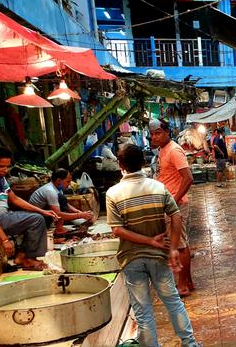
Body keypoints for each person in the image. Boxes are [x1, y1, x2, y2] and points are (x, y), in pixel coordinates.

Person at [106, 144, 198, 347]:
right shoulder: (158, 187)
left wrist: (147, 241)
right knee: (173, 302)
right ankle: (189, 343)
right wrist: (173, 247)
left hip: (131, 259)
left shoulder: (113, 193)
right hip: (158, 256)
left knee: (143, 311)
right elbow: (176, 215)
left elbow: (117, 230)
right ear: (144, 162)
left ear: (120, 165)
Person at [0, 147, 56, 270]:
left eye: (7, 166)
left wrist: (42, 210)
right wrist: (4, 240)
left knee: (38, 217)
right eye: (1, 166)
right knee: (36, 220)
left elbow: (15, 199)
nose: (5, 170)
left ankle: (22, 256)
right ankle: (29, 259)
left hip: (2, 216)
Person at [149, 119, 195, 297]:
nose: (155, 137)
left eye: (158, 132)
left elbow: (188, 177)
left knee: (180, 245)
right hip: (171, 203)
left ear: (167, 131)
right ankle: (188, 282)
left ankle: (182, 285)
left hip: (176, 205)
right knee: (182, 242)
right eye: (152, 134)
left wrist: (174, 201)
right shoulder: (162, 150)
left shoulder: (174, 150)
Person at [29, 169, 93, 234]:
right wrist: (80, 215)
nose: (69, 184)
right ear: (59, 180)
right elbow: (58, 214)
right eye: (68, 181)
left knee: (62, 199)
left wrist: (79, 212)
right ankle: (59, 229)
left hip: (43, 214)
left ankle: (59, 228)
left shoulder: (58, 188)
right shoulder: (50, 191)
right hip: (36, 219)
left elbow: (65, 205)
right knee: (62, 199)